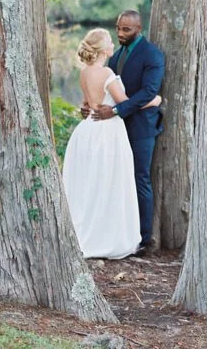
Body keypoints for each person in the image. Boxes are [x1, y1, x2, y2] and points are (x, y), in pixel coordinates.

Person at [63, 28, 161, 259]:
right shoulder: (106, 72)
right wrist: (154, 101)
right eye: (109, 42)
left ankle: (91, 233)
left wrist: (86, 107)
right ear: (101, 50)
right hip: (106, 133)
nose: (112, 45)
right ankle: (106, 237)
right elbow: (125, 103)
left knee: (92, 184)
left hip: (87, 130)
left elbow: (87, 103)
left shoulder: (85, 72)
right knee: (108, 183)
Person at [91, 10, 165, 255]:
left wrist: (115, 110)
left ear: (138, 29)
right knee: (117, 178)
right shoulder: (116, 56)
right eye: (118, 28)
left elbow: (149, 92)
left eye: (126, 29)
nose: (120, 33)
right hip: (116, 128)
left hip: (142, 126)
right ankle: (120, 233)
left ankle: (144, 239)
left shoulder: (152, 54)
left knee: (140, 177)